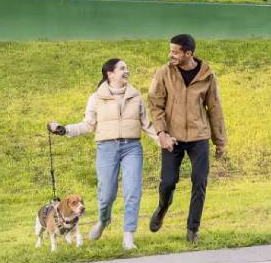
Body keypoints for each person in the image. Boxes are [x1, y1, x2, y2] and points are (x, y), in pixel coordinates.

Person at [48, 58, 159, 250]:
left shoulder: (136, 96)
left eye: (127, 68)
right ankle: (103, 220)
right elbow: (87, 125)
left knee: (133, 191)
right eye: (122, 68)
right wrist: (64, 129)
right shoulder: (96, 98)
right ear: (110, 74)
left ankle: (128, 237)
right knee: (106, 193)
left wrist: (162, 140)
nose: (127, 71)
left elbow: (147, 125)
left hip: (132, 147)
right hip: (106, 148)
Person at [147, 34, 227, 243]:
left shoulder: (207, 76)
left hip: (199, 136)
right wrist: (162, 134)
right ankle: (162, 208)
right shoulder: (163, 73)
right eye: (170, 50)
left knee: (200, 181)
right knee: (167, 182)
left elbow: (215, 108)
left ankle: (193, 230)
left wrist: (220, 141)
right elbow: (155, 105)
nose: (170, 54)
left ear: (188, 53)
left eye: (175, 51)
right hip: (171, 137)